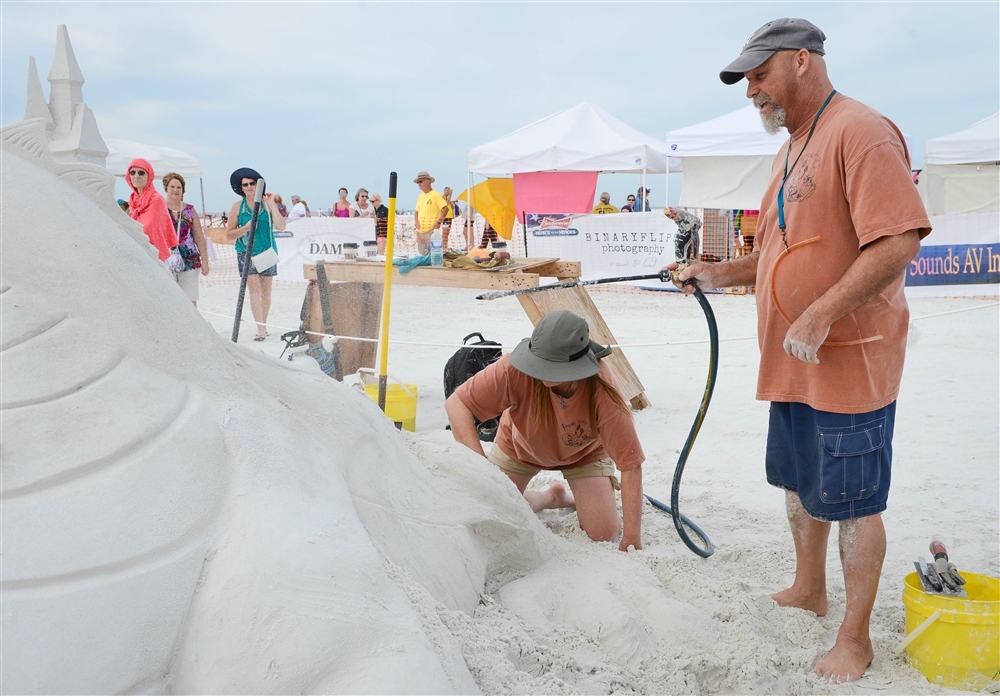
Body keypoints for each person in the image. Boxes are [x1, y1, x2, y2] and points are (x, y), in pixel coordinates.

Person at [669, 18, 931, 683]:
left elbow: (899, 240)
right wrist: (718, 272)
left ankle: (856, 638)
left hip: (849, 356)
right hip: (790, 361)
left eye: (760, 75)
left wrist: (820, 312)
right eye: (748, 81)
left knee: (855, 501)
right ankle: (809, 588)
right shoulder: (792, 147)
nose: (752, 91)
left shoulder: (862, 131)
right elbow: (778, 252)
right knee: (799, 485)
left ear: (802, 63)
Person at [446, 310, 644, 551]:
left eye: (552, 367)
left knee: (604, 534)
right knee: (493, 508)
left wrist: (632, 536)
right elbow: (457, 404)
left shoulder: (603, 389)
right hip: (520, 445)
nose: (542, 372)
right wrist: (483, 470)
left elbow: (630, 463)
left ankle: (572, 499)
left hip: (585, 452)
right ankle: (550, 498)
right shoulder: (513, 367)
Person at [224, 167, 287, 341]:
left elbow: (282, 226)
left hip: (267, 250)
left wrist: (273, 204)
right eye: (246, 184)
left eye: (253, 183)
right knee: (255, 291)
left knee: (266, 292)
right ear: (241, 187)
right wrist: (245, 228)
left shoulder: (267, 205)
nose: (250, 187)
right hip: (246, 251)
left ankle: (263, 324)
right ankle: (260, 328)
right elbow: (229, 234)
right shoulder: (237, 207)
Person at [163, 172, 209, 305]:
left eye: (179, 187)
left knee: (190, 300)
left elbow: (199, 237)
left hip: (190, 261)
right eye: (172, 187)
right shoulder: (159, 208)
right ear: (166, 188)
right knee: (169, 299)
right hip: (166, 259)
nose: (175, 190)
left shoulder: (189, 210)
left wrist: (205, 261)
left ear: (183, 190)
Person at [125, 158, 177, 262]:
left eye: (141, 173)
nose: (136, 176)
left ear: (149, 176)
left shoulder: (156, 199)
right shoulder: (132, 199)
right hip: (137, 253)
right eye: (132, 172)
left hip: (155, 255)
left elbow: (149, 228)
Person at [413, 171, 447, 255]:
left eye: (420, 181)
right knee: (423, 254)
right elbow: (416, 211)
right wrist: (416, 221)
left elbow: (445, 209)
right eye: (418, 182)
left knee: (433, 254)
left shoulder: (436, 195)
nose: (419, 184)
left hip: (431, 231)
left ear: (428, 181)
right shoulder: (420, 196)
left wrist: (438, 223)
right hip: (420, 231)